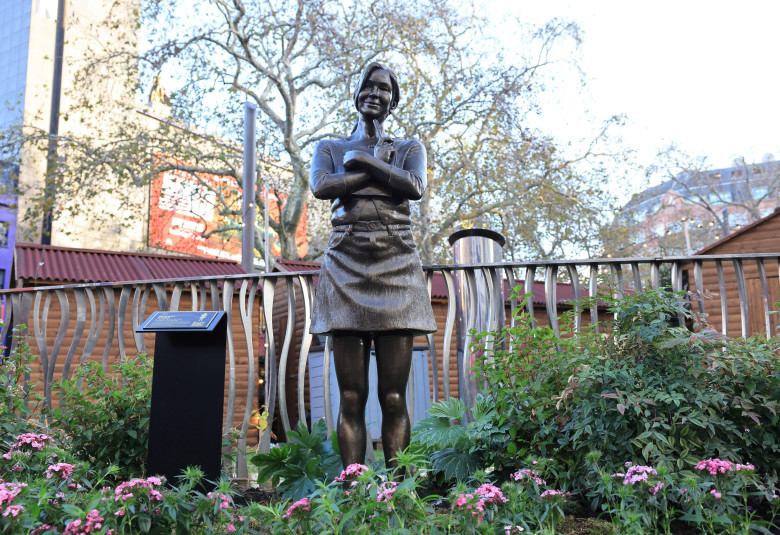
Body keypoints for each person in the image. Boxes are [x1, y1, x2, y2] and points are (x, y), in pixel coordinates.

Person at [309, 62, 437, 471]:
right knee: (351, 395)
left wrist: (363, 165)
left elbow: (413, 188)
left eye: (383, 89)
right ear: (357, 94)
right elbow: (320, 187)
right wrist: (384, 176)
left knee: (394, 395)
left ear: (393, 101)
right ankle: (353, 487)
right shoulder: (329, 146)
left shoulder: (410, 148)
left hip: (397, 260)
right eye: (368, 86)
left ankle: (397, 492)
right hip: (346, 261)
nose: (374, 94)